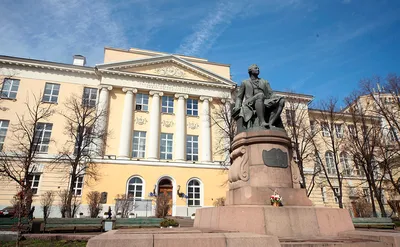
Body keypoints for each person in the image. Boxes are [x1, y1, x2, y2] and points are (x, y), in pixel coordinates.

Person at [233, 64, 285, 130]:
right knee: (260, 95)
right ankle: (262, 122)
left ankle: (270, 123)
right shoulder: (245, 82)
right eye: (255, 68)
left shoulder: (264, 82)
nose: (258, 69)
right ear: (250, 71)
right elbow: (239, 97)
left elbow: (271, 94)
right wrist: (237, 106)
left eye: (258, 68)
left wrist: (277, 98)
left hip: (264, 100)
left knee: (281, 100)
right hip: (250, 102)